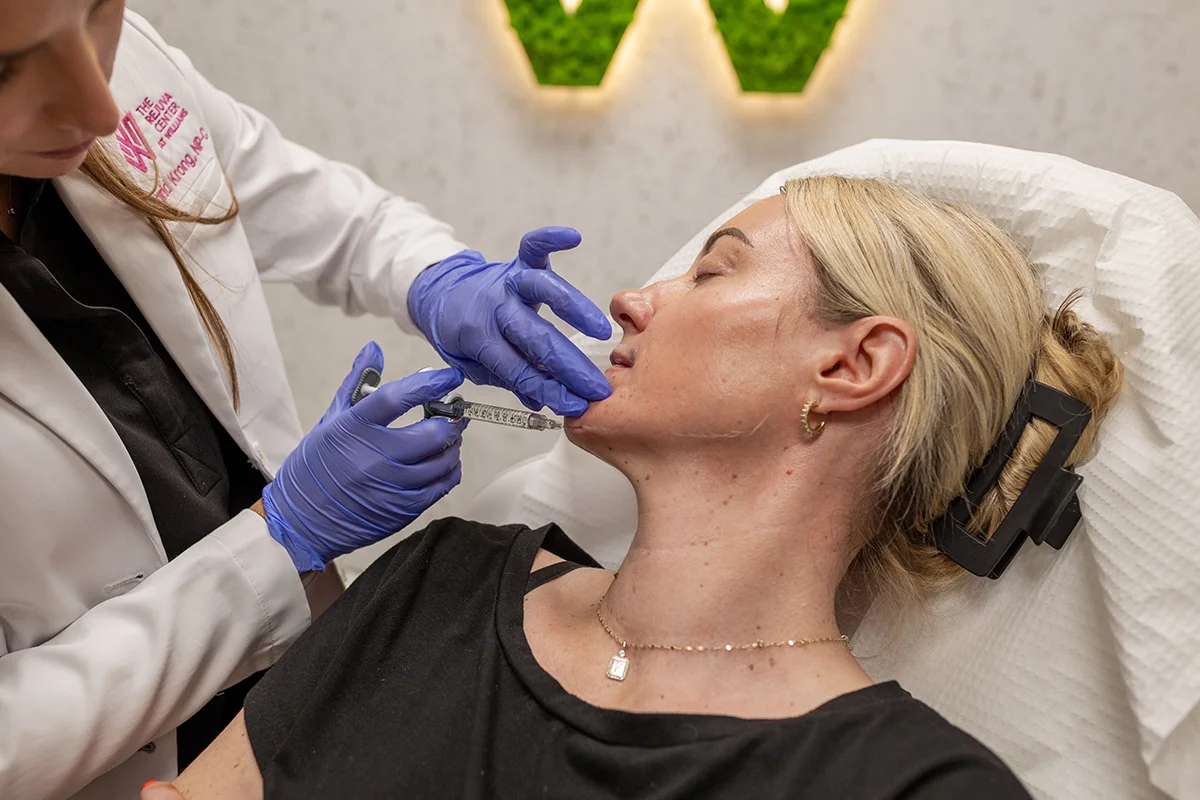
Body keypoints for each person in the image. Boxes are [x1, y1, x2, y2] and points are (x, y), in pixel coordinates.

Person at [140, 176, 1124, 799]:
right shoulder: (437, 586)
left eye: (714, 272)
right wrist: (281, 534)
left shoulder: (911, 785)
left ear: (855, 363)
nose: (630, 297)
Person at [0, 2, 613, 798]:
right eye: (8, 66)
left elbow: (317, 210)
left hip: (308, 704)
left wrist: (435, 279)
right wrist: (279, 540)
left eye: (99, 9)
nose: (100, 106)